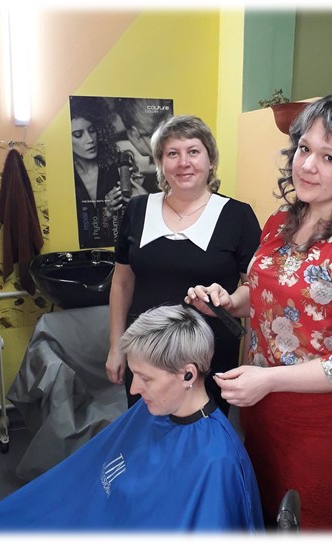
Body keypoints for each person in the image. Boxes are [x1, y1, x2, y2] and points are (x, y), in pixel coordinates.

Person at [185, 94, 332, 530]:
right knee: (260, 519)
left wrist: (268, 380)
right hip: (261, 413)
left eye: (329, 157)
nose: (307, 166)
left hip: (320, 430)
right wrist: (229, 301)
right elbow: (260, 291)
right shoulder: (281, 223)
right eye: (304, 149)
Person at [0, 305, 264, 532]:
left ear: (188, 374)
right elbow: (87, 474)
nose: (133, 389)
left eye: (145, 378)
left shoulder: (217, 461)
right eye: (133, 374)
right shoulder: (152, 412)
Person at [105, 115, 261, 415]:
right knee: (147, 430)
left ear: (211, 160)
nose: (183, 162)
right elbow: (122, 283)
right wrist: (116, 347)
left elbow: (256, 291)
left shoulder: (237, 216)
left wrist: (248, 361)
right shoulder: (137, 210)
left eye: (193, 151)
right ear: (161, 163)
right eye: (172, 154)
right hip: (145, 355)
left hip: (210, 358)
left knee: (202, 434)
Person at [70, 95, 122, 248]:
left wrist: (109, 212)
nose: (90, 139)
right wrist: (105, 212)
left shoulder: (113, 168)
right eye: (78, 135)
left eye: (92, 130)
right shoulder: (66, 177)